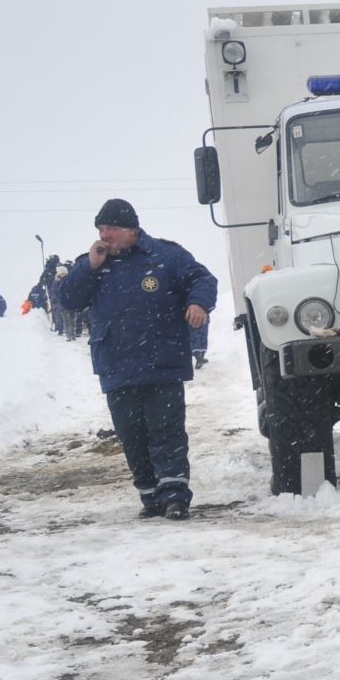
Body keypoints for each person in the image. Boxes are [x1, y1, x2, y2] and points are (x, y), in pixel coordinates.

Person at [56, 199, 217, 520]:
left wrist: (198, 303)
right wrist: (89, 266)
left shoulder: (166, 255)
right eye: (101, 229)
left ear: (132, 229)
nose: (105, 234)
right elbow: (68, 300)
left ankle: (174, 496)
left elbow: (203, 279)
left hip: (162, 362)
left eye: (111, 228)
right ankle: (149, 495)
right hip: (116, 365)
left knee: (166, 431)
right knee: (131, 434)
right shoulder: (92, 263)